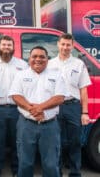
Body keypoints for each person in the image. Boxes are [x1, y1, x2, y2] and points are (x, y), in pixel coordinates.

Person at [9, 46, 67, 177]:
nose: (38, 59)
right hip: (26, 125)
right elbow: (16, 95)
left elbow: (60, 97)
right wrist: (32, 109)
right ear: (29, 59)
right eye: (34, 56)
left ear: (47, 59)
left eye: (42, 57)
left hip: (49, 126)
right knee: (25, 164)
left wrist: (40, 108)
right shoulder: (21, 75)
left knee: (51, 165)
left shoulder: (56, 75)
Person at [48, 33, 91, 177]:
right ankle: (57, 171)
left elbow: (83, 89)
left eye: (68, 45)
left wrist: (84, 113)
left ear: (72, 46)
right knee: (56, 141)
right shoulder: (50, 64)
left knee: (75, 141)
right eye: (63, 44)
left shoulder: (79, 64)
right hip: (55, 106)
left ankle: (75, 172)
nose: (65, 47)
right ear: (58, 45)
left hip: (73, 106)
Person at [0, 35, 28, 176]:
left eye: (9, 45)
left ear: (13, 47)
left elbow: (27, 87)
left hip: (18, 110)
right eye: (4, 45)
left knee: (18, 142)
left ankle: (17, 170)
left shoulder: (22, 65)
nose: (6, 48)